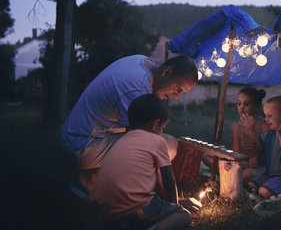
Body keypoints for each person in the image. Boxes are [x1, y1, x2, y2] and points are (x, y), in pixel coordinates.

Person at [60, 54, 198, 195]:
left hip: (80, 135)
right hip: (82, 145)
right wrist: (169, 201)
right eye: (178, 89)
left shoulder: (141, 62)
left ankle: (96, 175)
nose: (177, 96)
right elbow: (147, 146)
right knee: (164, 147)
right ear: (166, 72)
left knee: (166, 142)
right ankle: (91, 181)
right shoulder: (136, 88)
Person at [90, 94, 201, 229]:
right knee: (184, 216)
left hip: (104, 212)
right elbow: (168, 179)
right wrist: (174, 206)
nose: (162, 132)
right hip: (136, 211)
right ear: (155, 125)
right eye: (163, 128)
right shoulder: (158, 141)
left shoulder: (121, 141)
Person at [230, 87, 269, 188]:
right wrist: (246, 164)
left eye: (246, 104)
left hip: (260, 167)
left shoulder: (264, 125)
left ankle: (240, 181)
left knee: (245, 175)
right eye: (239, 104)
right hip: (244, 164)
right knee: (207, 156)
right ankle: (246, 182)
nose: (241, 107)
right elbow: (236, 154)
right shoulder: (236, 127)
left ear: (257, 106)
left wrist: (251, 130)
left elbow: (265, 153)